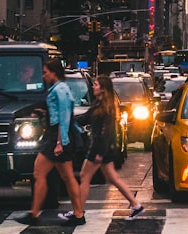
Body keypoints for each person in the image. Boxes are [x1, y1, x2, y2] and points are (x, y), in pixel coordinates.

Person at [61, 75, 144, 221]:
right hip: (102, 148)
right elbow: (84, 118)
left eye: (96, 85)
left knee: (84, 177)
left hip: (99, 148)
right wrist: (66, 117)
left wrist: (99, 153)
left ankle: (78, 211)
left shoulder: (107, 108)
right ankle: (136, 205)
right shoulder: (98, 105)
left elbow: (107, 133)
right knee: (112, 178)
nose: (93, 86)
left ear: (103, 89)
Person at [20, 58, 86, 226]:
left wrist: (60, 142)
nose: (44, 76)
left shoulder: (60, 90)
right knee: (67, 177)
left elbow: (64, 117)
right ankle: (78, 214)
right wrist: (44, 112)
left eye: (45, 72)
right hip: (59, 136)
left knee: (39, 174)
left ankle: (34, 213)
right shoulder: (58, 89)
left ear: (54, 72)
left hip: (57, 137)